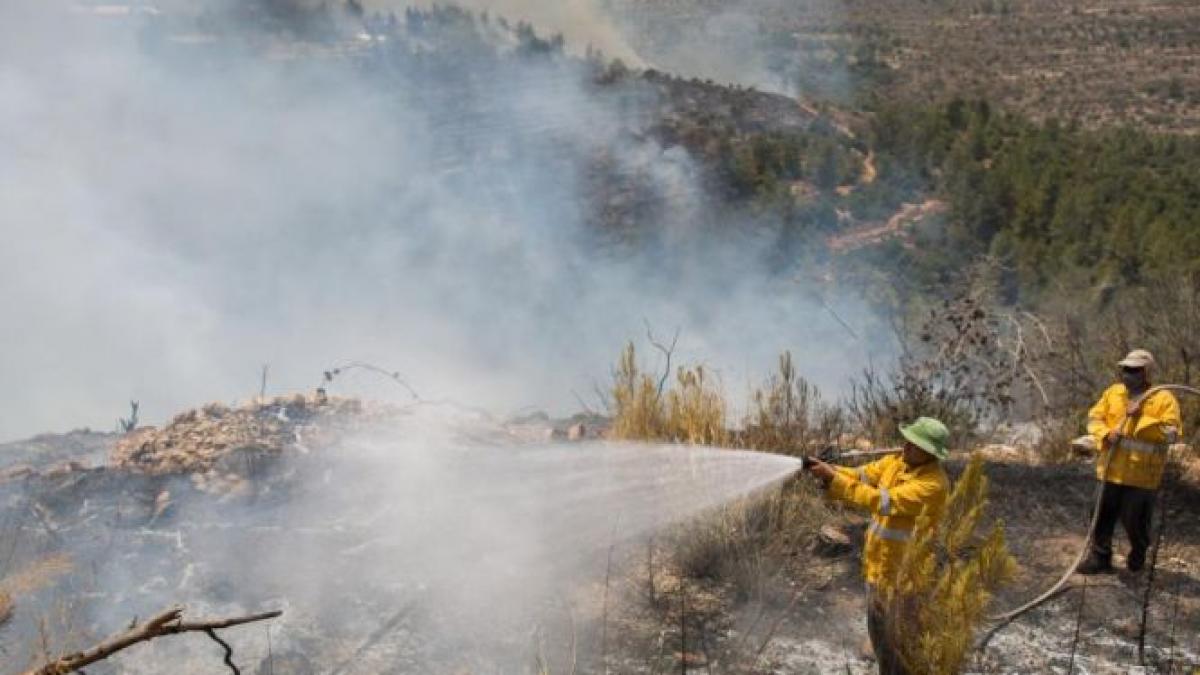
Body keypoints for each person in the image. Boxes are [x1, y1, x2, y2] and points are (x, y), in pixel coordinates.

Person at [804, 416, 951, 675]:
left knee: (899, 651)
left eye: (914, 445)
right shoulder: (895, 463)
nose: (905, 448)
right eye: (906, 441)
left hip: (904, 581)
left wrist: (834, 480)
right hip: (877, 571)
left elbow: (882, 502)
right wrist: (828, 472)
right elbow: (862, 475)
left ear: (929, 453)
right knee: (880, 641)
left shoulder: (932, 486)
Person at [1077, 349, 1181, 574]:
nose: (1127, 374)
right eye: (1125, 369)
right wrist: (1105, 434)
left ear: (1146, 373)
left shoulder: (1163, 399)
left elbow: (1171, 434)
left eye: (1134, 370)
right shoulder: (1113, 393)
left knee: (1135, 521)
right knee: (1101, 515)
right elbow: (1095, 417)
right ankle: (1100, 557)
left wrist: (1141, 415)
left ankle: (1138, 552)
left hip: (1142, 476)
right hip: (1110, 470)